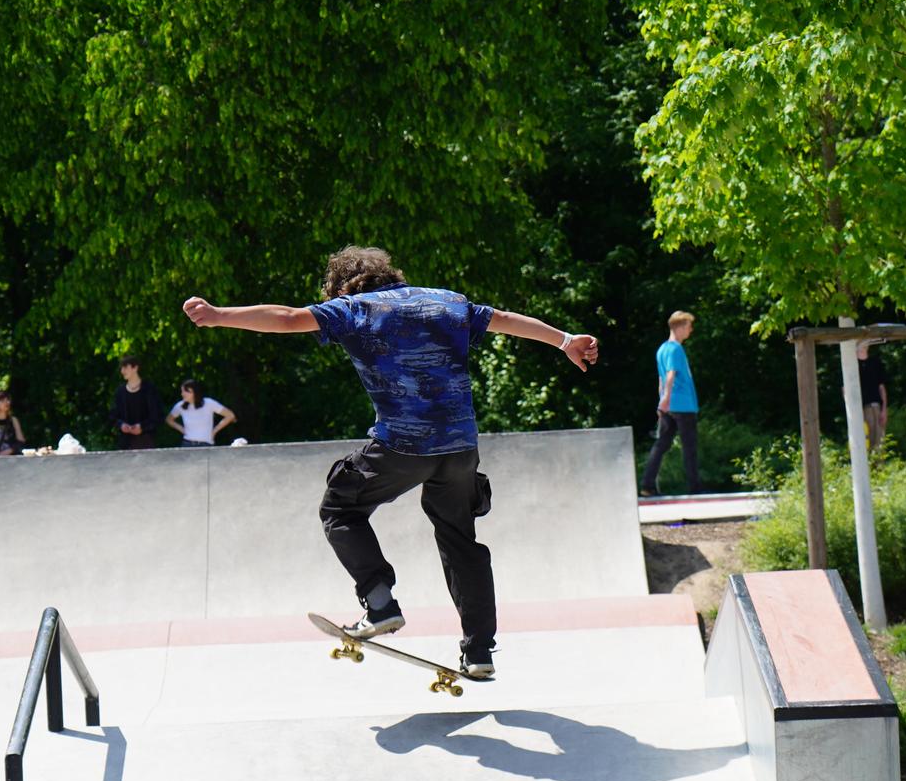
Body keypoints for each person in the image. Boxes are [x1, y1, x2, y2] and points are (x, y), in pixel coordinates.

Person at [181, 245, 598, 680]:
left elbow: (287, 318)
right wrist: (566, 341)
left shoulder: (352, 308)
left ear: (342, 286)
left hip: (401, 445)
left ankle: (379, 601)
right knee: (459, 539)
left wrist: (219, 314)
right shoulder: (448, 301)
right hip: (459, 447)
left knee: (340, 508)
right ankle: (479, 651)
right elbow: (509, 322)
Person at [639, 311, 700, 496]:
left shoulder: (661, 349)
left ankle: (647, 484)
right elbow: (671, 375)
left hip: (668, 406)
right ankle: (695, 488)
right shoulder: (675, 349)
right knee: (689, 446)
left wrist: (662, 401)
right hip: (683, 405)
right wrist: (666, 399)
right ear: (680, 327)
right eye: (688, 327)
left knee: (662, 444)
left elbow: (661, 378)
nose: (690, 331)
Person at [109, 356, 163, 450]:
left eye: (125, 367)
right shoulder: (120, 392)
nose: (122, 371)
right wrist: (121, 425)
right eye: (121, 368)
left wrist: (142, 427)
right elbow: (113, 416)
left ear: (135, 368)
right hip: (125, 443)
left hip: (146, 441)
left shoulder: (149, 389)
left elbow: (157, 416)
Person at [166, 379, 236, 447]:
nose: (182, 394)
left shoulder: (209, 403)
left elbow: (230, 415)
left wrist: (214, 431)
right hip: (187, 444)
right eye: (182, 391)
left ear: (195, 392)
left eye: (186, 391)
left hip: (206, 445)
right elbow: (169, 419)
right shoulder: (180, 406)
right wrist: (182, 429)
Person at [857, 341, 890, 450]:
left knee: (880, 441)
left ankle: (879, 466)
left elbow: (881, 387)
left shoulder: (875, 362)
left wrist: (884, 410)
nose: (863, 347)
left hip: (876, 407)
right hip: (860, 409)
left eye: (865, 344)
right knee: (865, 441)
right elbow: (845, 390)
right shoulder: (851, 364)